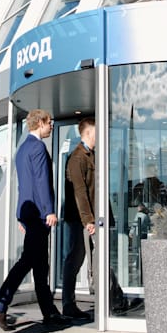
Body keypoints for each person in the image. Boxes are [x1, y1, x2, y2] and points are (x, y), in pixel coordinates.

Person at [0, 109, 72, 330]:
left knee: (40, 265)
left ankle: (49, 312)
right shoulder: (38, 147)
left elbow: (24, 185)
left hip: (29, 213)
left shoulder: (23, 148)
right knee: (28, 262)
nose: (51, 125)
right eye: (49, 122)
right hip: (38, 215)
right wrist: (49, 210)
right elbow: (41, 182)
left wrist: (21, 215)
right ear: (40, 123)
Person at [61, 117, 126, 319]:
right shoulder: (77, 158)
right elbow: (80, 191)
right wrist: (88, 221)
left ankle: (115, 298)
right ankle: (69, 305)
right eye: (97, 132)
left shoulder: (93, 156)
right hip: (81, 219)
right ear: (88, 133)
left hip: (93, 218)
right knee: (75, 259)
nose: (100, 136)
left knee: (99, 257)